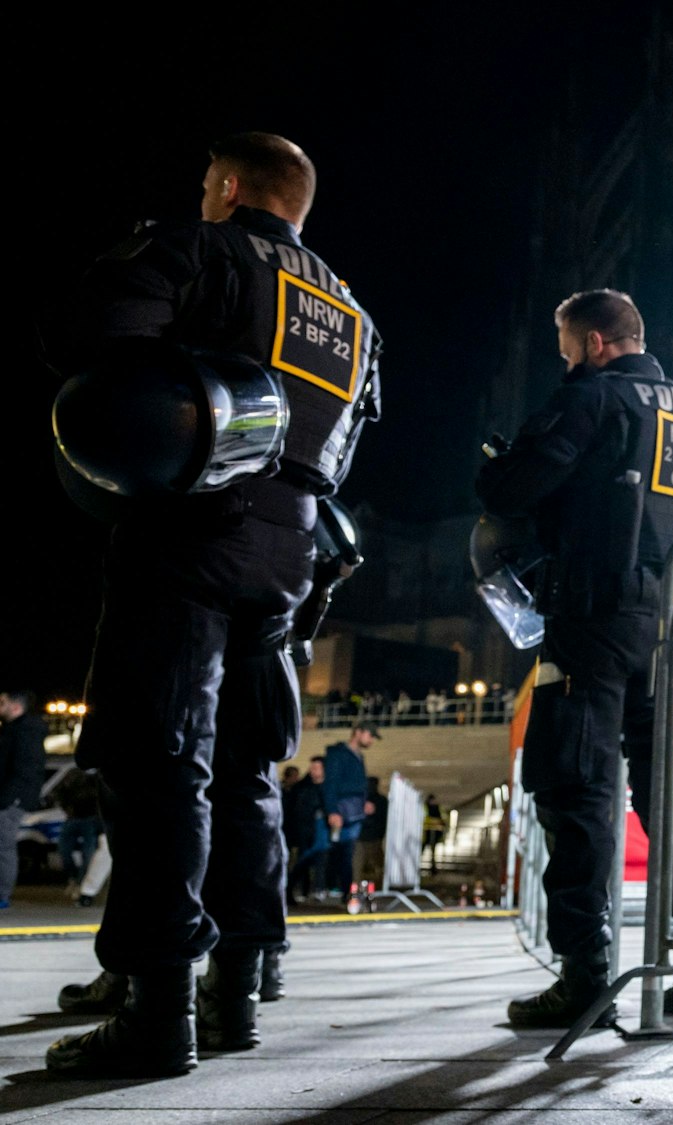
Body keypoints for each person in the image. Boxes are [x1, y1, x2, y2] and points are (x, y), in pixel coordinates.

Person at [45, 133, 382, 1077]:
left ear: (230, 188)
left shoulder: (203, 250)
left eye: (207, 185)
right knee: (243, 772)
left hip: (189, 531)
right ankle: (234, 992)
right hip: (288, 556)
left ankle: (155, 1007)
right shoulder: (351, 313)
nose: (203, 196)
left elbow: (88, 335)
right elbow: (348, 444)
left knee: (156, 761)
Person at [476, 289, 673, 1028]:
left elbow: (510, 484)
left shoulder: (593, 398)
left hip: (595, 614)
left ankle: (584, 973)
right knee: (667, 796)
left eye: (565, 348)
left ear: (592, 343)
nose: (564, 361)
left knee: (576, 788)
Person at [1, 690, 49, 910]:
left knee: (3, 846)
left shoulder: (25, 731)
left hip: (11, 800)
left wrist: (9, 799)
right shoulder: (15, 730)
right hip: (11, 797)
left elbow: (25, 770)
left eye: (3, 702)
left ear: (16, 707)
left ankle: (2, 895)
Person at [320, 727, 374, 904]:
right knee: (343, 852)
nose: (371, 740)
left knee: (347, 852)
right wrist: (332, 810)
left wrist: (364, 801)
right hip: (343, 811)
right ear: (358, 732)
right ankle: (343, 890)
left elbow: (359, 785)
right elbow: (331, 784)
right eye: (370, 735)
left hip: (355, 811)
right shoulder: (338, 755)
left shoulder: (359, 756)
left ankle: (346, 891)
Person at [53, 765, 107, 903]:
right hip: (74, 817)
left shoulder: (100, 777)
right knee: (64, 850)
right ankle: (79, 884)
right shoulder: (75, 774)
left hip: (92, 819)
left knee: (91, 853)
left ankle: (84, 889)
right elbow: (59, 792)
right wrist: (67, 808)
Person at [283, 758, 327, 903]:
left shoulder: (327, 786)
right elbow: (298, 811)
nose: (312, 770)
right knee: (305, 861)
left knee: (317, 860)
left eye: (316, 767)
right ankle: (298, 889)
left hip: (320, 830)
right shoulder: (303, 788)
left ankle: (316, 889)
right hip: (307, 831)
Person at [357, 775, 388, 887]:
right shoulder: (382, 800)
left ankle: (360, 887)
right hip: (372, 837)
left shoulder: (361, 799)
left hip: (365, 837)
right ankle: (376, 885)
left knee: (361, 865)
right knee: (375, 864)